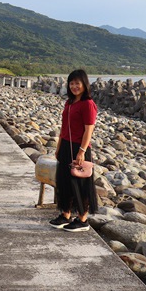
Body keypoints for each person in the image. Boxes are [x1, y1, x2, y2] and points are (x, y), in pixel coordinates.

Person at [49, 69, 98, 232]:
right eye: (71, 83)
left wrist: (82, 151)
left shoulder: (88, 104)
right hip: (65, 146)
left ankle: (83, 219)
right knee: (64, 182)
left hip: (79, 148)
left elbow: (88, 130)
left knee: (80, 183)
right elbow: (64, 127)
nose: (74, 86)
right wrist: (58, 147)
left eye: (78, 83)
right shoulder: (69, 103)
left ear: (85, 84)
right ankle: (65, 214)